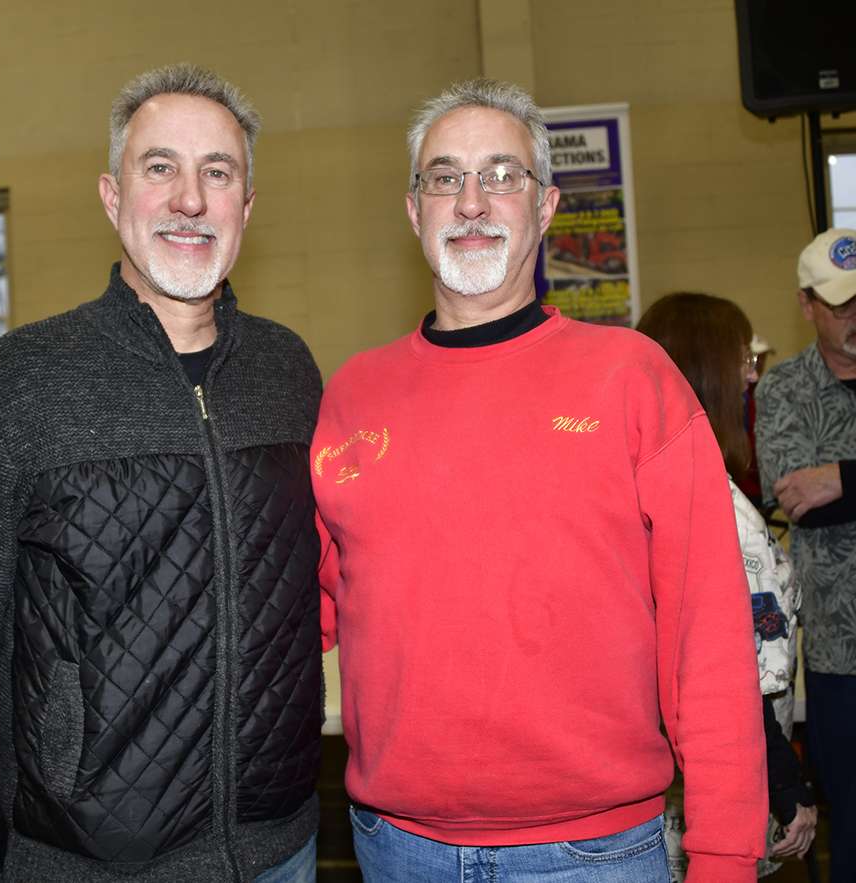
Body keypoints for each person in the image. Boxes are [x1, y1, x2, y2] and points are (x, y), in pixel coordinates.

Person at [313, 78, 767, 883]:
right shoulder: (354, 396)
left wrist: (725, 855)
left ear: (547, 205)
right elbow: (296, 614)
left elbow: (709, 633)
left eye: (502, 175)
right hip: (394, 848)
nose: (472, 202)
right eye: (445, 178)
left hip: (594, 855)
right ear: (414, 210)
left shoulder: (633, 380)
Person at [0, 64, 323, 883]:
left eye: (218, 173)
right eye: (160, 166)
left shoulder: (288, 371)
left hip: (281, 851)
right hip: (86, 864)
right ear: (112, 196)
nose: (190, 199)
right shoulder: (22, 381)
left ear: (246, 206)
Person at [637, 292, 817, 878]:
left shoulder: (648, 486)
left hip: (673, 791)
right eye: (744, 359)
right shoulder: (718, 507)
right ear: (708, 371)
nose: (752, 375)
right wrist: (788, 787)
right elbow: (739, 673)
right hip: (720, 788)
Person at [755, 227, 856, 883]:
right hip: (840, 654)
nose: (855, 316)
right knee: (850, 826)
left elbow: (826, 493)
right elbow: (798, 499)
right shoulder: (786, 388)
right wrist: (824, 489)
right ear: (807, 304)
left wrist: (842, 477)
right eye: (841, 304)